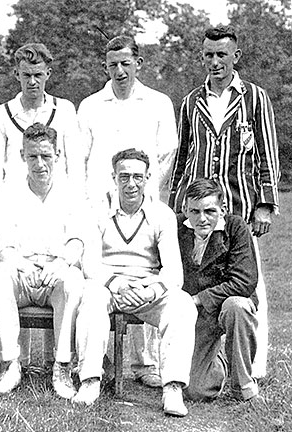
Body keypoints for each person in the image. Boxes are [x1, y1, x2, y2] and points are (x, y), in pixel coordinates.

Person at [169, 26, 279, 378]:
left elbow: (267, 153)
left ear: (236, 57)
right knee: (195, 284)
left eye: (221, 55)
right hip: (199, 211)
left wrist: (264, 203)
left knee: (246, 288)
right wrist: (176, 206)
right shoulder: (191, 101)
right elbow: (182, 156)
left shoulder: (255, 99)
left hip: (239, 208)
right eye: (208, 55)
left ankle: (250, 367)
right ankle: (200, 358)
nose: (214, 62)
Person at [77, 35, 179, 388]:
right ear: (104, 66)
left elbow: (165, 158)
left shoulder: (159, 103)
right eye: (112, 64)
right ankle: (94, 362)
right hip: (100, 209)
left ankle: (146, 363)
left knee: (147, 271)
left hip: (144, 204)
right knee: (97, 281)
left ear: (139, 63)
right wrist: (94, 204)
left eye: (125, 63)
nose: (119, 70)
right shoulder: (90, 105)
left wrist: (148, 201)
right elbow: (80, 159)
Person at [73, 148, 197, 417]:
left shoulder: (162, 214)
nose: (131, 184)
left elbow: (174, 272)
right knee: (91, 297)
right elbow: (89, 264)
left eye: (138, 177)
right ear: (114, 177)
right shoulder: (96, 210)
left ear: (148, 178)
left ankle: (172, 387)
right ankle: (90, 380)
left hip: (146, 289)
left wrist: (150, 290)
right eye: (124, 176)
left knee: (182, 303)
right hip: (108, 285)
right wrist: (117, 285)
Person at [0, 123, 90, 399]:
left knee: (74, 282)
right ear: (22, 155)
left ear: (57, 154)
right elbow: (1, 245)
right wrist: (21, 264)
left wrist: (60, 264)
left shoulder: (72, 192)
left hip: (55, 273)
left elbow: (78, 241)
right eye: (33, 156)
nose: (40, 163)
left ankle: (62, 366)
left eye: (46, 156)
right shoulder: (8, 192)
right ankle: (10, 364)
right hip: (22, 272)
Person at [177, 178, 260, 402]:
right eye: (194, 211)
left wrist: (199, 298)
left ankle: (242, 387)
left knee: (238, 306)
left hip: (229, 304)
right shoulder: (177, 227)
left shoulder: (235, 227)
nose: (202, 218)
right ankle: (220, 358)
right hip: (198, 314)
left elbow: (244, 281)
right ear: (185, 209)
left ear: (222, 209)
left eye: (210, 211)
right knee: (197, 391)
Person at [0, 43, 81, 190]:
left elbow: (75, 164)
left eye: (38, 75)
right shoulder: (2, 113)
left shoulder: (65, 110)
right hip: (15, 198)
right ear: (17, 74)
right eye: (26, 75)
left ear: (47, 74)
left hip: (56, 198)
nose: (32, 82)